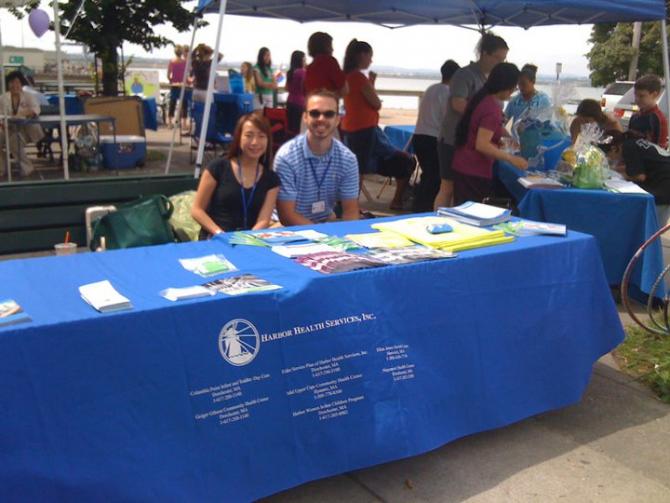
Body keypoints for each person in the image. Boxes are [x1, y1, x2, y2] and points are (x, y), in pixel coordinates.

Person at [434, 32, 509, 209]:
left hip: (473, 146)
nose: (500, 63)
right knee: (448, 188)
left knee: (463, 191)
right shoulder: (464, 75)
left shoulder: (488, 78)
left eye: (504, 59)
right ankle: (437, 222)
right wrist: (485, 114)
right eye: (498, 58)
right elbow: (457, 103)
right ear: (484, 54)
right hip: (453, 139)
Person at [340, 39, 415, 210]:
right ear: (362, 55)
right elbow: (375, 103)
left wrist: (371, 83)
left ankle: (351, 205)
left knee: (356, 167)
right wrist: (371, 85)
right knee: (358, 169)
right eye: (370, 56)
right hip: (363, 129)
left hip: (352, 127)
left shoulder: (348, 76)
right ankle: (353, 207)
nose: (371, 61)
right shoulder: (358, 77)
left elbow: (362, 99)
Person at [274, 90, 359, 225]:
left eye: (329, 114)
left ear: (337, 120)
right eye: (314, 113)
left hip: (324, 221)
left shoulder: (348, 159)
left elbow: (351, 211)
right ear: (305, 117)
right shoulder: (287, 157)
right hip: (287, 226)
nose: (321, 119)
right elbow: (286, 215)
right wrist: (323, 237)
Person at [191, 112, 280, 238]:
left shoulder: (271, 179)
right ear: (238, 138)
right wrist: (219, 234)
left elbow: (263, 220)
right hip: (215, 239)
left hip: (249, 241)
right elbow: (197, 210)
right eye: (249, 135)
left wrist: (247, 239)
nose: (255, 142)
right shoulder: (218, 167)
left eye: (261, 136)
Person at [451, 63, 528, 205]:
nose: (513, 91)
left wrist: (509, 139)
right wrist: (511, 158)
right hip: (473, 169)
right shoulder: (491, 108)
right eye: (514, 87)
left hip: (464, 164)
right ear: (507, 86)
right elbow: (482, 144)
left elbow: (492, 128)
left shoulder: (483, 97)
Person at [412, 59, 460, 212]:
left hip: (419, 136)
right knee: (434, 177)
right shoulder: (448, 93)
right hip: (433, 138)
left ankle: (419, 205)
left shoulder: (430, 88)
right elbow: (448, 119)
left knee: (428, 174)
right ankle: (423, 208)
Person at [599, 129, 670, 225]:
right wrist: (615, 168)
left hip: (662, 186)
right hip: (664, 180)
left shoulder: (628, 148)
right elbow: (638, 167)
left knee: (652, 226)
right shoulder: (633, 143)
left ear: (614, 148)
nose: (610, 159)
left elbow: (639, 176)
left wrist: (621, 174)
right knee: (655, 225)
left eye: (608, 156)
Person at [0, 71, 44, 178]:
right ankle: (2, 168)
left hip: (27, 129)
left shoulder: (28, 96)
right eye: (12, 82)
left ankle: (28, 168)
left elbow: (36, 109)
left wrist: (26, 112)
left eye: (17, 82)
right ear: (8, 84)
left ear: (21, 84)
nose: (15, 85)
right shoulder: (3, 98)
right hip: (8, 128)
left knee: (13, 141)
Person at [628, 74, 668, 149]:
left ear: (654, 95)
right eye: (635, 95)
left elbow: (660, 150)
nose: (636, 99)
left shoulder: (658, 119)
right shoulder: (635, 116)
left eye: (641, 96)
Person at [304, 32, 347, 97]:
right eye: (330, 46)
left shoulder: (309, 68)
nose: (333, 49)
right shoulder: (330, 62)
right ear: (325, 47)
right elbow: (344, 90)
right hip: (328, 105)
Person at [167, 44, 188, 129]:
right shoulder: (185, 62)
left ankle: (170, 123)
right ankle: (184, 124)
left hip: (174, 85)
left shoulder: (172, 61)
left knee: (172, 103)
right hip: (183, 85)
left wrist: (171, 80)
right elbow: (186, 74)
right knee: (184, 104)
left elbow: (168, 75)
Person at [286, 50, 306, 133]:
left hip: (290, 102)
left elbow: (286, 88)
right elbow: (305, 88)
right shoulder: (302, 72)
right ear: (300, 60)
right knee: (299, 129)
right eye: (304, 60)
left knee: (291, 129)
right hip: (299, 103)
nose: (305, 62)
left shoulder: (290, 72)